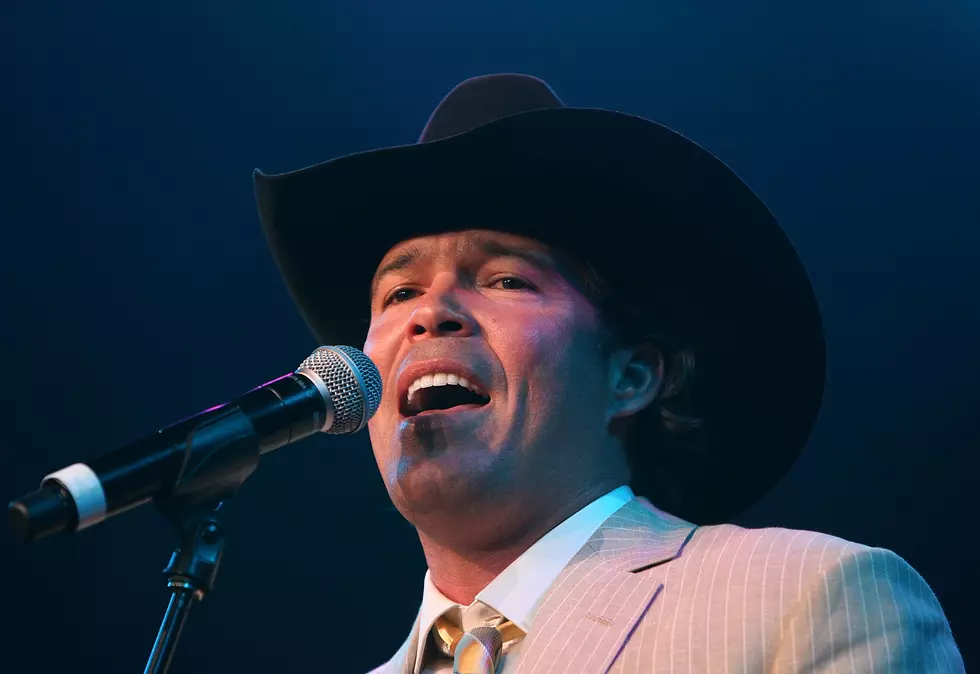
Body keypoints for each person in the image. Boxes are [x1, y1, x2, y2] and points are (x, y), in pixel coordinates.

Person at [253, 74, 964, 673]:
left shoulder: (804, 598)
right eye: (399, 293)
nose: (431, 312)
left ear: (632, 378)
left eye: (504, 280)